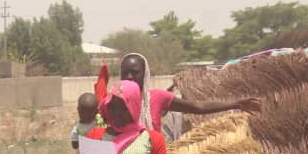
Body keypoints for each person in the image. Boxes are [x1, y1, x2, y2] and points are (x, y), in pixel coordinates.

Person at [112, 53, 262, 134]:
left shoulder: (157, 97)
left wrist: (236, 103)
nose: (130, 77)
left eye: (135, 72)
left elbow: (197, 107)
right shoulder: (114, 101)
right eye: (125, 73)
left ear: (145, 74)